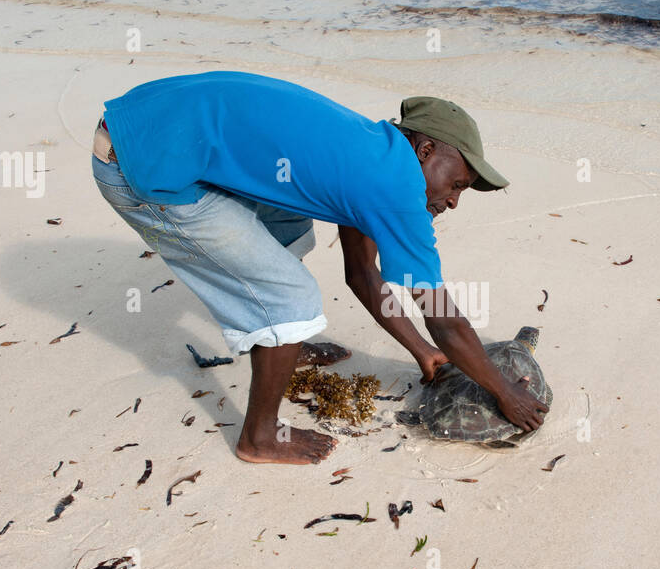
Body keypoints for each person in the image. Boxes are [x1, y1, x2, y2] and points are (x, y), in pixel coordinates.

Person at [91, 71, 548, 465]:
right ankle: (259, 437)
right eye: (457, 183)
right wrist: (506, 393)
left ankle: (281, 344)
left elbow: (362, 274)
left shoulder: (372, 154)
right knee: (290, 298)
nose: (452, 200)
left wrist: (424, 353)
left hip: (153, 126)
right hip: (141, 165)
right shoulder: (396, 188)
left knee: (290, 232)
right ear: (426, 149)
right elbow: (443, 317)